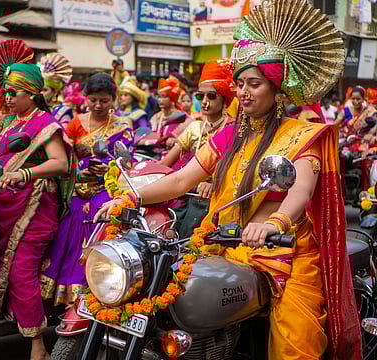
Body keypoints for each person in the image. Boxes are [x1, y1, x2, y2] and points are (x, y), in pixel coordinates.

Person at [96, 1, 361, 359]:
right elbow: (180, 181)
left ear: (277, 90)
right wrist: (129, 198)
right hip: (222, 245)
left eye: (254, 84)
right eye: (239, 84)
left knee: (294, 348)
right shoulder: (229, 135)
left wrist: (275, 223)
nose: (243, 92)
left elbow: (300, 189)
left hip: (284, 254)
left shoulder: (301, 135)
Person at [0, 41, 74, 360]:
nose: (7, 97)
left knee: (20, 271)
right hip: (0, 205)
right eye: (5, 92)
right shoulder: (5, 124)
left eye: (13, 92)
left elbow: (61, 163)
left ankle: (37, 346)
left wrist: (26, 175)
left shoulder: (46, 124)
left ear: (30, 93)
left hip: (34, 211)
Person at [40, 73, 134, 307]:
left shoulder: (123, 125)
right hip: (77, 186)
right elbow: (64, 157)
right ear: (86, 99)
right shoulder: (75, 123)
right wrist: (80, 170)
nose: (98, 105)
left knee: (97, 217)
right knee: (66, 222)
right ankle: (60, 294)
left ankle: (96, 287)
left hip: (106, 187)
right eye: (93, 100)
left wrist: (109, 166)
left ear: (114, 100)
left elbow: (128, 162)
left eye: (104, 100)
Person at [159, 60, 235, 238]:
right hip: (185, 193)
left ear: (224, 98)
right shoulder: (194, 128)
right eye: (201, 97)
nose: (205, 102)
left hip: (214, 199)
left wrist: (211, 183)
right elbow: (166, 163)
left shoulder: (233, 129)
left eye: (212, 96)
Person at [40, 52, 73, 126]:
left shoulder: (62, 112)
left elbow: (64, 134)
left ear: (54, 92)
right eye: (39, 89)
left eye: (45, 90)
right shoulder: (33, 109)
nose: (41, 93)